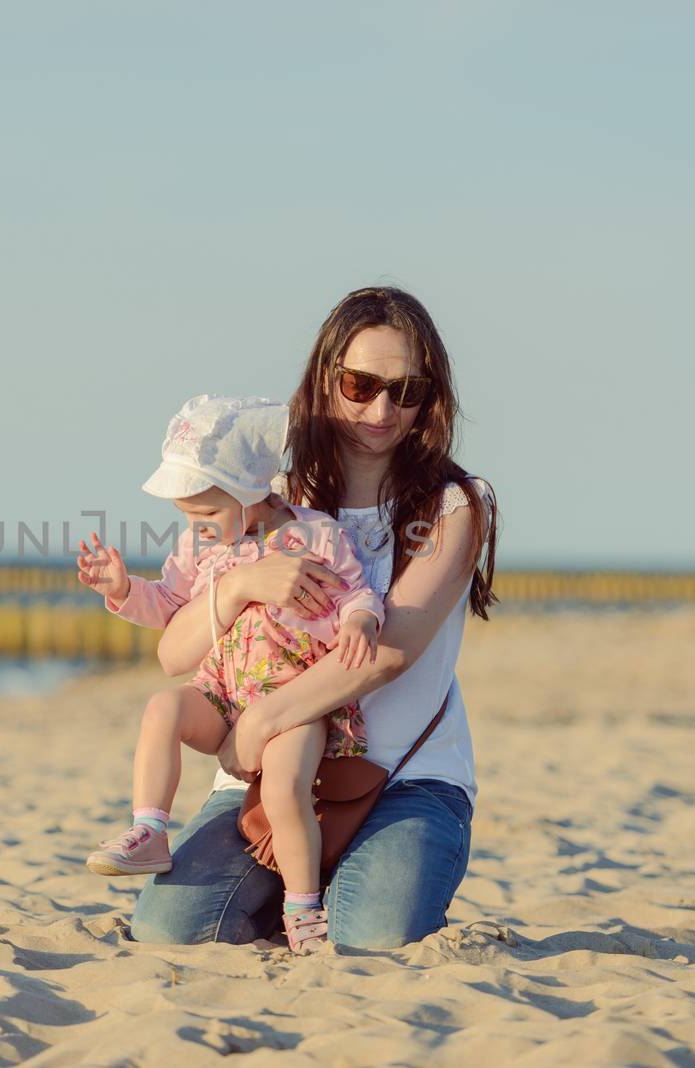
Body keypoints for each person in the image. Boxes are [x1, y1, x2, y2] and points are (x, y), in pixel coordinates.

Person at [126, 286, 499, 950]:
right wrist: (242, 581)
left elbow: (388, 652)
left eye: (406, 390)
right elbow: (174, 650)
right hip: (272, 776)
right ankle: (299, 888)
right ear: (326, 381)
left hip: (407, 779)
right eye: (360, 383)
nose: (380, 408)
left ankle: (345, 885)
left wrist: (262, 720)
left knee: (372, 941)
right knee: (168, 930)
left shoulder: (454, 506)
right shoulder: (267, 500)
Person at [75, 394, 386, 953]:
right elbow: (171, 608)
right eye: (188, 519)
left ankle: (302, 907)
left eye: (209, 514)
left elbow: (358, 592)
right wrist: (124, 592)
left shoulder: (314, 536)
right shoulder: (202, 548)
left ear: (253, 494)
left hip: (295, 704)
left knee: (288, 787)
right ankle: (149, 827)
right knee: (161, 708)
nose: (198, 529)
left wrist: (361, 622)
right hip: (223, 693)